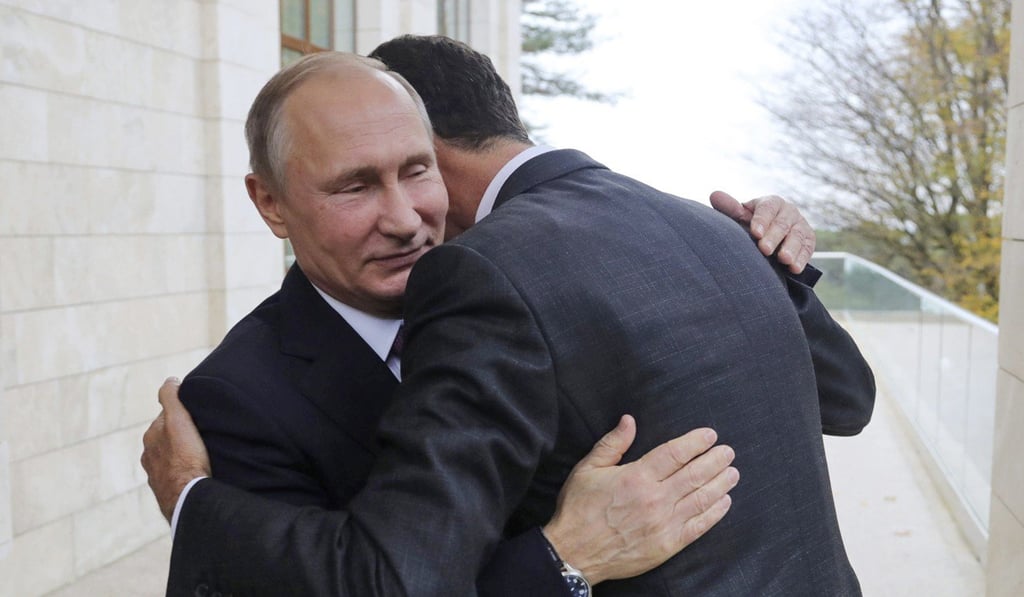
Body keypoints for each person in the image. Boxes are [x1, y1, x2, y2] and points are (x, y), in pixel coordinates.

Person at [143, 40, 874, 596]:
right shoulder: (233, 401)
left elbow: (844, 398)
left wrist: (772, 261)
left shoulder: (515, 283)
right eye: (355, 186)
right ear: (270, 202)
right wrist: (564, 558)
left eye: (416, 169)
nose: (405, 219)